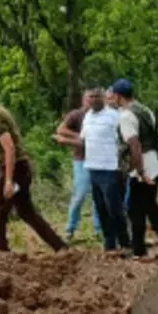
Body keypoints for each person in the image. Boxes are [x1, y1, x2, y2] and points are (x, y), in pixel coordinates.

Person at [0, 86, 67, 253]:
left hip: (15, 168)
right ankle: (60, 247)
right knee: (26, 212)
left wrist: (8, 180)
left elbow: (9, 149)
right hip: (19, 167)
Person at [109, 80, 158, 258]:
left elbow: (134, 145)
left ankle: (140, 248)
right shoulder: (145, 110)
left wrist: (140, 172)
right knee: (147, 204)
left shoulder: (126, 116)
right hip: (155, 161)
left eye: (113, 95)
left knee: (136, 208)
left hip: (142, 166)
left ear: (118, 96)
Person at [80, 88, 127, 252]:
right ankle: (109, 243)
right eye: (90, 96)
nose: (93, 100)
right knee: (100, 208)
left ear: (103, 98)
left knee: (114, 207)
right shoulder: (87, 116)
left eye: (96, 96)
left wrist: (122, 165)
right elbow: (84, 140)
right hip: (93, 168)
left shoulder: (114, 116)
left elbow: (124, 140)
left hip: (110, 168)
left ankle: (125, 242)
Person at [53, 92, 101, 244]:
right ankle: (70, 229)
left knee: (97, 196)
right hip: (81, 160)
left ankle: (98, 229)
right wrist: (80, 136)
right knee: (80, 194)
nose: (90, 101)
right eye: (88, 99)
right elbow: (60, 130)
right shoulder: (76, 115)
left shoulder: (100, 115)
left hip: (98, 159)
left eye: (93, 99)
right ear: (83, 100)